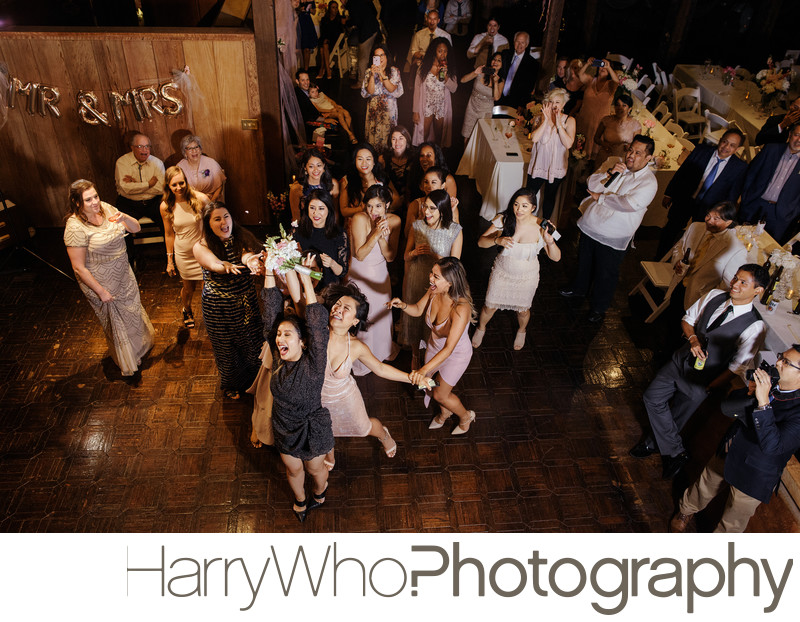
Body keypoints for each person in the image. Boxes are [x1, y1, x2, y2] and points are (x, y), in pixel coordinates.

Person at [630, 264, 768, 480]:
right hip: (679, 361)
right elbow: (687, 319)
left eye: (743, 282)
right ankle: (675, 452)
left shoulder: (755, 326)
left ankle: (651, 444)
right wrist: (693, 338)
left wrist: (710, 387)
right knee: (651, 397)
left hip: (703, 380)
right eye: (735, 278)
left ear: (758, 291)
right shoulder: (714, 295)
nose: (735, 285)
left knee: (678, 416)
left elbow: (737, 366)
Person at [670, 346, 800, 533]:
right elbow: (728, 408)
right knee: (704, 485)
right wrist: (749, 394)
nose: (778, 362)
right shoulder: (772, 383)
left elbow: (773, 446)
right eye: (781, 357)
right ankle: (684, 511)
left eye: (786, 362)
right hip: (732, 447)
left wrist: (763, 403)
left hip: (756, 471)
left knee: (733, 520)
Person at [321, 282, 435, 468]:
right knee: (324, 428)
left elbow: (380, 369)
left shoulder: (356, 347)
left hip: (344, 398)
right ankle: (329, 455)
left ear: (355, 321)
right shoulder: (317, 333)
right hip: (318, 397)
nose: (338, 310)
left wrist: (411, 377)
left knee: (364, 427)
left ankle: (384, 435)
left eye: (346, 308)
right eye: (337, 304)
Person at [260, 260, 333, 522]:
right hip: (284, 427)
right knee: (292, 469)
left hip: (313, 429)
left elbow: (315, 321)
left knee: (315, 469)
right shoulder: (279, 358)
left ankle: (319, 493)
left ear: (302, 341)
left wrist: (305, 280)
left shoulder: (315, 361)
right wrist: (269, 269)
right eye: (279, 334)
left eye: (287, 334)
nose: (280, 339)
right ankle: (300, 499)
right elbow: (269, 313)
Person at [559, 134, 657, 323]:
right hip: (593, 223)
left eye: (638, 153)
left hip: (615, 232)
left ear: (648, 158)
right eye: (630, 150)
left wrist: (601, 198)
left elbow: (628, 204)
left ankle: (598, 307)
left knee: (606, 272)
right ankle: (579, 288)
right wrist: (608, 174)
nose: (631, 155)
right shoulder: (615, 163)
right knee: (584, 261)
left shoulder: (649, 183)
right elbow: (592, 184)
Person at [64, 179, 155, 377]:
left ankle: (139, 347)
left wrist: (124, 217)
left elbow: (136, 228)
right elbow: (78, 267)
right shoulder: (74, 227)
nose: (95, 202)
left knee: (131, 312)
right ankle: (128, 357)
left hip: (123, 272)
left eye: (95, 196)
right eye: (88, 200)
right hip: (101, 281)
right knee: (117, 320)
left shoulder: (105, 208)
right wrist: (101, 291)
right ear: (77, 203)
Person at [389, 257, 476, 434]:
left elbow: (449, 348)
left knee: (440, 394)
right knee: (430, 384)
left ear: (450, 283)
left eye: (436, 276)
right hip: (434, 347)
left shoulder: (461, 308)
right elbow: (418, 310)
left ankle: (466, 416)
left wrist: (421, 370)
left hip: (456, 354)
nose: (430, 278)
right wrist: (403, 305)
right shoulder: (434, 290)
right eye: (432, 273)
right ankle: (445, 412)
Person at [472, 188, 561, 351]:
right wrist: (497, 240)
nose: (519, 210)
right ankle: (481, 328)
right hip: (502, 273)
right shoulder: (504, 219)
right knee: (489, 306)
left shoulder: (543, 226)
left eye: (525, 206)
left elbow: (556, 257)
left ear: (533, 207)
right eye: (516, 204)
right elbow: (480, 242)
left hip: (527, 278)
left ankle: (522, 330)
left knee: (523, 311)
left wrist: (550, 241)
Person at [192, 202, 264, 400]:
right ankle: (232, 385)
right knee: (227, 349)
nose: (224, 222)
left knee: (253, 343)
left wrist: (250, 260)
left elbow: (246, 253)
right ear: (208, 224)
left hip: (246, 302)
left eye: (226, 216)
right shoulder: (201, 246)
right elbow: (212, 263)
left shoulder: (242, 237)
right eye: (217, 219)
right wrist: (224, 265)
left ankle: (257, 382)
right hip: (218, 308)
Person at [655, 128, 747, 259]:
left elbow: (732, 195)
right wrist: (669, 193)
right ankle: (658, 260)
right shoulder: (701, 151)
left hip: (709, 210)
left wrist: (722, 216)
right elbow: (682, 173)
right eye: (725, 142)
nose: (726, 147)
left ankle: (682, 265)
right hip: (685, 199)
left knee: (696, 240)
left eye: (732, 145)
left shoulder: (739, 168)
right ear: (720, 140)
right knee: (669, 232)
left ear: (737, 149)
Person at [401, 188, 463, 367]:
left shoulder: (455, 231)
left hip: (440, 284)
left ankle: (432, 356)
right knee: (414, 317)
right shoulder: (418, 226)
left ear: (443, 210)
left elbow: (455, 266)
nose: (426, 212)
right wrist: (413, 252)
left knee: (434, 320)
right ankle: (414, 355)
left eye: (432, 208)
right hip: (417, 275)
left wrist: (436, 256)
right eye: (425, 207)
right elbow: (405, 256)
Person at [348, 184, 402, 374]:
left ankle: (380, 352)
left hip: (380, 274)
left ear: (387, 204)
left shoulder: (395, 221)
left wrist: (381, 238)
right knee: (363, 316)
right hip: (360, 273)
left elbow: (390, 256)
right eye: (369, 206)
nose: (373, 211)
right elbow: (360, 254)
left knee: (380, 314)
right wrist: (376, 233)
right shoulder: (359, 218)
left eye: (378, 206)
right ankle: (362, 358)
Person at [669, 202, 747, 311]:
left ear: (728, 222)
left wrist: (707, 298)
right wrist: (678, 260)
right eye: (708, 216)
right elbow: (679, 246)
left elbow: (728, 283)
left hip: (699, 298)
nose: (709, 221)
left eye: (716, 219)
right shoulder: (695, 227)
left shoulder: (736, 249)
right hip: (679, 283)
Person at [159, 166, 209, 328]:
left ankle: (209, 315)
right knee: (188, 288)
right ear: (168, 186)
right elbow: (168, 234)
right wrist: (169, 260)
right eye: (174, 185)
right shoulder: (166, 206)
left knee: (206, 287)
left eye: (181, 183)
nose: (178, 188)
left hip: (202, 251)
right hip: (183, 254)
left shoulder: (200, 199)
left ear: (186, 181)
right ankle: (186, 309)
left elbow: (213, 222)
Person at [739, 124, 800, 244]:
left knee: (766, 249)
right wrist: (746, 197)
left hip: (780, 215)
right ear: (790, 135)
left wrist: (792, 212)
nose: (798, 140)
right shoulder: (771, 149)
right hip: (755, 203)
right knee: (739, 239)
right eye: (796, 135)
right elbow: (751, 173)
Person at [114, 132, 165, 266]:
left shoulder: (157, 163)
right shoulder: (122, 162)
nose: (145, 150)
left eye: (147, 146)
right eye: (140, 146)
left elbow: (160, 188)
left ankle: (170, 257)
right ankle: (131, 261)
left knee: (168, 220)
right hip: (129, 203)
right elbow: (125, 188)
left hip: (153, 201)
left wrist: (135, 184)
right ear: (132, 147)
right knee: (121, 227)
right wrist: (148, 184)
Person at [525, 87, 576, 220]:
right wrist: (545, 121)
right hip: (539, 164)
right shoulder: (539, 118)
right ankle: (522, 222)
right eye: (551, 101)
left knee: (549, 198)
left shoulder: (569, 121)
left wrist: (559, 124)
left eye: (557, 102)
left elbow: (568, 144)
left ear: (563, 104)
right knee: (528, 196)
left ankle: (545, 226)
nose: (554, 105)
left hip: (556, 166)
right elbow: (534, 138)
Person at [294, 188, 349, 289]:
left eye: (321, 208)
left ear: (329, 209)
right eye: (312, 208)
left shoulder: (339, 234)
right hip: (305, 289)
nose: (316, 213)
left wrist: (332, 263)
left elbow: (342, 272)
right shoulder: (298, 233)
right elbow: (292, 266)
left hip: (329, 291)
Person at [413, 37, 458, 147]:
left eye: (445, 51)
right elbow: (417, 90)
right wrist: (415, 111)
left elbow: (454, 89)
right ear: (434, 51)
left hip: (441, 106)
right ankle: (422, 155)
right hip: (426, 105)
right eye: (440, 51)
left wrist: (446, 76)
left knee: (439, 136)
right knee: (424, 133)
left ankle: (437, 158)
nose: (442, 54)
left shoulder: (450, 68)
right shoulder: (423, 68)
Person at [361, 44, 404, 151]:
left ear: (386, 57)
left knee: (388, 141)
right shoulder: (368, 72)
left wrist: (382, 75)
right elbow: (369, 91)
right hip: (373, 112)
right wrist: (372, 75)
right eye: (376, 56)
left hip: (389, 112)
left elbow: (392, 89)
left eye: (382, 55)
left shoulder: (394, 71)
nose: (379, 59)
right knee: (373, 141)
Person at [574, 57, 620, 158]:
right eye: (601, 65)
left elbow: (617, 81)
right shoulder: (591, 80)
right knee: (579, 146)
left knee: (593, 149)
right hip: (584, 119)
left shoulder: (610, 85)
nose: (602, 67)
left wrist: (609, 67)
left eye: (605, 66)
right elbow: (580, 74)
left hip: (599, 122)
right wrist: (587, 64)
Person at [339, 144, 397, 219]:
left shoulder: (382, 178)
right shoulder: (347, 180)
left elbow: (397, 201)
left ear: (374, 161)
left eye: (368, 159)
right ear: (355, 161)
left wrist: (381, 210)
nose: (364, 163)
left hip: (378, 222)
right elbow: (344, 211)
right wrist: (361, 209)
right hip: (355, 224)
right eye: (360, 159)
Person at [460, 52, 505, 143]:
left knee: (480, 139)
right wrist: (475, 72)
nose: (495, 62)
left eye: (499, 60)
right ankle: (466, 157)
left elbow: (496, 98)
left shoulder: (500, 81)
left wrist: (495, 82)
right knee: (467, 137)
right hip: (472, 107)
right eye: (494, 59)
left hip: (485, 111)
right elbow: (463, 80)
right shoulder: (482, 72)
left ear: (502, 65)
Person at [405, 166, 460, 239]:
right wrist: (420, 219)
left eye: (433, 182)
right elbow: (407, 235)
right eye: (426, 182)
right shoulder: (415, 204)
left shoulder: (450, 206)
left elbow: (456, 235)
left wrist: (451, 212)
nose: (429, 186)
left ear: (442, 185)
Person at [289, 148, 341, 223]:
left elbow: (335, 213)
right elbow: (296, 217)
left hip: (328, 228)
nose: (316, 170)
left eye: (319, 165)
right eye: (311, 166)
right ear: (305, 168)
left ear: (324, 166)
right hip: (306, 229)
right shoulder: (297, 188)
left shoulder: (333, 184)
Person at [593, 92, 642, 164]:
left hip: (621, 159)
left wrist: (629, 147)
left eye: (624, 105)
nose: (620, 108)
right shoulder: (606, 120)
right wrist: (604, 144)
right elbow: (596, 138)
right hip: (604, 156)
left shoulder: (635, 125)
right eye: (618, 105)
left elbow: (637, 145)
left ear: (629, 109)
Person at [342, 0, 380, 89]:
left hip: (367, 32)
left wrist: (346, 22)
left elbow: (355, 20)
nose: (341, 1)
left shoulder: (351, 3)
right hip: (373, 29)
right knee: (368, 57)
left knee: (363, 58)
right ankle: (371, 80)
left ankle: (361, 82)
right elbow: (374, 11)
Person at [177, 135, 226, 203]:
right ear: (185, 152)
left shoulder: (211, 162)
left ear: (200, 149)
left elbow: (219, 186)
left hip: (212, 201)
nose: (194, 151)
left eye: (196, 147)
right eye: (190, 149)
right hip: (190, 202)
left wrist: (210, 203)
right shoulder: (180, 167)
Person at [496, 32, 539, 110]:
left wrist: (522, 105)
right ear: (514, 41)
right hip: (498, 97)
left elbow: (529, 88)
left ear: (527, 44)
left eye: (522, 42)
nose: (519, 45)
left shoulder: (533, 64)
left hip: (516, 104)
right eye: (517, 41)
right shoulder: (505, 54)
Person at [406, 8, 452, 75]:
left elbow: (449, 54)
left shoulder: (445, 36)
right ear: (426, 19)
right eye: (430, 19)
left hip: (439, 62)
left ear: (438, 20)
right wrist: (423, 57)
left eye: (434, 19)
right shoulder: (419, 34)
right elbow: (413, 51)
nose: (432, 22)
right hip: (422, 61)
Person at [380, 126, 415, 205]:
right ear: (390, 141)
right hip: (390, 202)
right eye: (393, 139)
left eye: (401, 138)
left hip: (410, 201)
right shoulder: (383, 159)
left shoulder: (414, 159)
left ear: (407, 140)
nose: (397, 142)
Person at [316, 0, 344, 79]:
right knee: (323, 47)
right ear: (329, 9)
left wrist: (327, 39)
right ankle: (327, 69)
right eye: (333, 7)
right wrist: (325, 39)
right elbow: (323, 32)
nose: (335, 9)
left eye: (336, 8)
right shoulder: (325, 19)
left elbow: (338, 33)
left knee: (324, 46)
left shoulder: (339, 19)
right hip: (327, 41)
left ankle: (323, 69)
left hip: (336, 41)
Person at [297, 1, 318, 72]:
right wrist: (299, 10)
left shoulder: (311, 1)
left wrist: (310, 10)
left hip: (307, 22)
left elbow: (314, 12)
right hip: (298, 22)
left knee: (307, 48)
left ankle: (306, 69)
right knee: (298, 47)